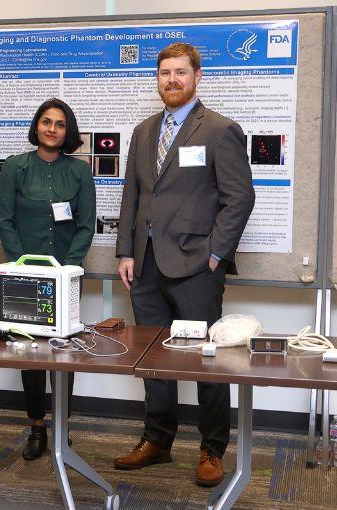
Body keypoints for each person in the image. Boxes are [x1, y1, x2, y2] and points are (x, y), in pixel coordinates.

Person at [114, 43, 255, 487]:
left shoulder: (218, 129)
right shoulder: (142, 131)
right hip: (147, 266)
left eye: (180, 72)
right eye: (164, 73)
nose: (171, 80)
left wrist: (215, 254)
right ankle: (157, 440)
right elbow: (132, 197)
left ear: (197, 77)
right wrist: (126, 250)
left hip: (196, 265)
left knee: (206, 362)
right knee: (152, 358)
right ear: (157, 78)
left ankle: (213, 448)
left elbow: (239, 198)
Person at [0, 98, 94, 460]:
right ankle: (36, 426)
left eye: (60, 124)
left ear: (68, 131)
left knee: (64, 352)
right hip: (24, 275)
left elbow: (86, 224)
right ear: (36, 126)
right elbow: (4, 220)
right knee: (31, 355)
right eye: (46, 122)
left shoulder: (79, 171)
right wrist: (24, 266)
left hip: (66, 276)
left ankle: (63, 428)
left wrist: (66, 269)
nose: (52, 129)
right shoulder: (15, 167)